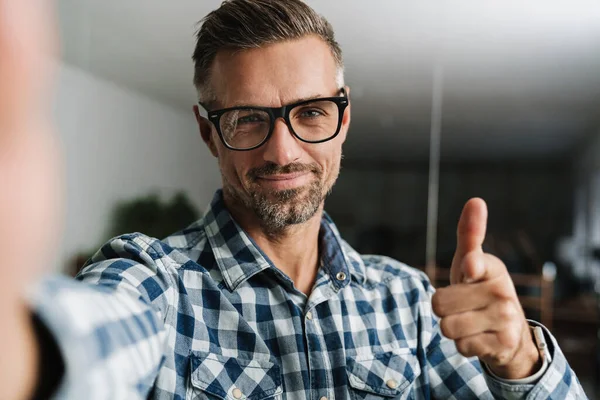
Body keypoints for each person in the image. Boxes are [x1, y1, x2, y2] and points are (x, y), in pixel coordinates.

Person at [0, 0, 587, 399]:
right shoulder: (157, 283)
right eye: (250, 119)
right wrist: (24, 348)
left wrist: (520, 361)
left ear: (343, 117)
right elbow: (99, 334)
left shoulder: (410, 304)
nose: (283, 151)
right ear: (210, 133)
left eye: (309, 113)